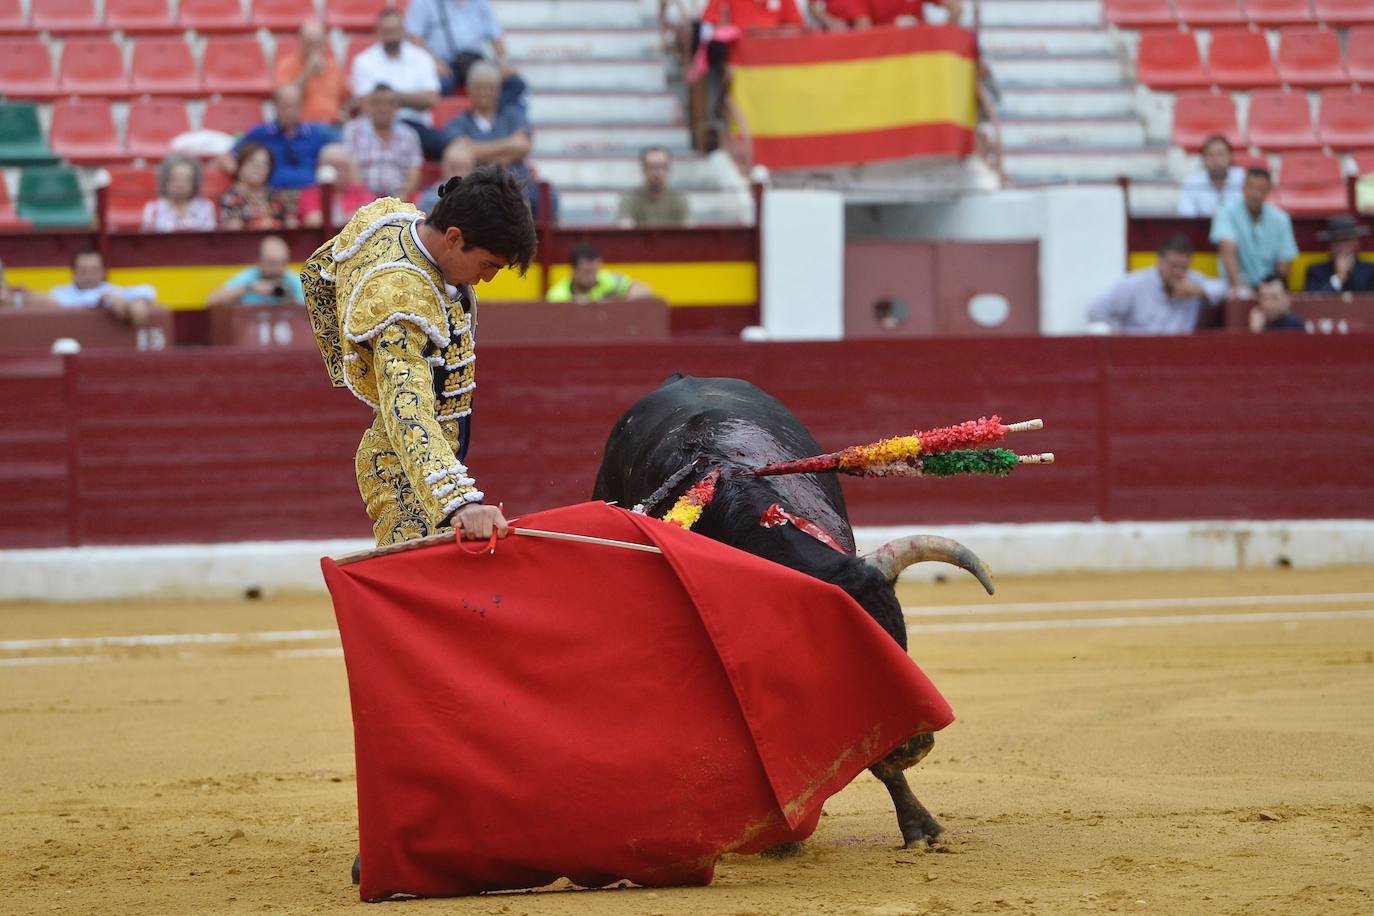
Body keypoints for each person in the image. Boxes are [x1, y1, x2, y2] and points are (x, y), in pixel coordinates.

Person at [300, 165, 537, 547]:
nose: (488, 278)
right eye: (489, 264)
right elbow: (405, 411)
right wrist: (459, 504)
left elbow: (316, 273)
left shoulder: (387, 218)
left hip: (428, 465)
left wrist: (350, 361)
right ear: (454, 238)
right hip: (407, 479)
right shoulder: (402, 302)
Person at [442, 62, 551, 218]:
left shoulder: (513, 115)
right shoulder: (457, 122)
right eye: (479, 87)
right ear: (469, 90)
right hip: (475, 187)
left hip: (516, 184)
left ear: (498, 90)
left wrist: (476, 151)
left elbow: (523, 146)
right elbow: (458, 154)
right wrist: (508, 146)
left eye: (490, 87)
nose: (485, 92)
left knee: (544, 197)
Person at [1086, 234, 1228, 335]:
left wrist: (1198, 291)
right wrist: (1118, 335)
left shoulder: (1193, 281)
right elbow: (1096, 310)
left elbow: (1224, 288)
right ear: (1160, 261)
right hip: (1137, 353)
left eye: (1183, 267)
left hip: (1178, 354)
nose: (1178, 272)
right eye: (1173, 265)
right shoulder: (1134, 284)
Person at [350, 9, 445, 157]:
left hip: (415, 125)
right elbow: (366, 104)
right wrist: (411, 99)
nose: (391, 36)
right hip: (375, 127)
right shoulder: (364, 61)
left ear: (403, 31)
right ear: (378, 32)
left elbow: (431, 99)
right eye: (386, 31)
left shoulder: (422, 58)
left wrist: (386, 97)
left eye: (395, 30)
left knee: (448, 146)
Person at [403, 0, 526, 108]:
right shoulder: (424, 2)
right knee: (440, 86)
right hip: (444, 65)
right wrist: (434, 62)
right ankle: (452, 124)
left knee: (516, 84)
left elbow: (496, 38)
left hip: (475, 63)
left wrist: (503, 62)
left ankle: (488, 117)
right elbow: (414, 37)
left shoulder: (481, 3)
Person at [1210, 167, 1298, 297]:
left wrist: (1273, 291)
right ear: (1243, 188)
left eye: (1261, 189)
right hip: (1234, 287)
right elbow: (1226, 245)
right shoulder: (1226, 211)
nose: (1255, 194)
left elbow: (1284, 264)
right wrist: (1239, 290)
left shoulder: (1281, 219)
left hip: (1270, 287)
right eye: (1251, 187)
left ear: (1269, 190)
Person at [231, 85, 332, 191]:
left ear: (302, 106)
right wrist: (243, 180)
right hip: (272, 196)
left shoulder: (314, 134)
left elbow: (326, 167)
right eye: (285, 106)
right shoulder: (262, 132)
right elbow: (228, 157)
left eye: (294, 106)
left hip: (308, 196)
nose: (290, 111)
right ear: (275, 106)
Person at [343, 84, 423, 202]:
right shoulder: (354, 130)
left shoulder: (409, 134)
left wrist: (400, 198)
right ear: (369, 106)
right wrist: (366, 201)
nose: (384, 108)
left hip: (399, 199)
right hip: (362, 200)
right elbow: (351, 168)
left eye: (390, 103)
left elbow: (414, 172)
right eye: (378, 103)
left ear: (397, 108)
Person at [49, 248, 160, 326]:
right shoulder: (60, 293)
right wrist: (104, 298)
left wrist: (141, 301)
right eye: (83, 271)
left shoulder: (111, 290)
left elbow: (147, 289)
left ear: (102, 271)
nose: (89, 276)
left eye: (94, 270)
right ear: (73, 272)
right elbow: (67, 303)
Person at [274, 20, 348, 125]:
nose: (314, 48)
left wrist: (343, 112)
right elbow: (285, 99)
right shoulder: (286, 66)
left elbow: (345, 97)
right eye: (309, 43)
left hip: (331, 125)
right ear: (300, 42)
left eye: (318, 43)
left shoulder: (333, 67)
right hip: (301, 127)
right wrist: (307, 73)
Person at [207, 236, 305, 308]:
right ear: (259, 261)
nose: (277, 269)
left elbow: (311, 316)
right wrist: (249, 288)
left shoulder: (292, 280)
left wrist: (290, 299)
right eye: (271, 263)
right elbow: (211, 301)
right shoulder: (249, 278)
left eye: (281, 264)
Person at [218, 143, 300, 230]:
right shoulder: (231, 197)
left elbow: (290, 222)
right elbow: (233, 230)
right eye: (252, 161)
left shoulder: (275, 195)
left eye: (265, 164)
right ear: (240, 165)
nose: (258, 167)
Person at [300, 144, 377, 228]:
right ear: (321, 167)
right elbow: (313, 220)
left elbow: (372, 215)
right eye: (335, 166)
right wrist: (350, 217)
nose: (340, 172)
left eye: (344, 167)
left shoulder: (360, 191)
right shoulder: (310, 193)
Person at [546, 243, 653, 302]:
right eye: (586, 272)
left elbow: (644, 289)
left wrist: (617, 302)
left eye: (595, 271)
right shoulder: (558, 295)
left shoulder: (607, 279)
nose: (592, 277)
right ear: (573, 271)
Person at [617, 146, 690, 228]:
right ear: (643, 169)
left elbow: (688, 232)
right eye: (651, 167)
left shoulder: (679, 198)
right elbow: (625, 231)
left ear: (669, 169)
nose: (656, 172)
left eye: (662, 166)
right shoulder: (629, 198)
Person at [141, 155, 217, 232]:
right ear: (165, 180)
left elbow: (209, 239)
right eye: (175, 178)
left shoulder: (205, 207)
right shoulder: (153, 209)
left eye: (186, 179)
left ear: (194, 182)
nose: (180, 184)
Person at [1177, 134, 1245, 219]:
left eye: (1220, 154)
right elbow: (1187, 219)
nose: (1216, 159)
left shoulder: (1244, 180)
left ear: (1230, 156)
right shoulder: (1191, 184)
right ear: (1203, 159)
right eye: (1210, 155)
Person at [1303, 215, 1374, 294]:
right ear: (1330, 246)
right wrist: (1338, 278)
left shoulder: (1371, 271)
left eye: (1347, 241)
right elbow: (1313, 302)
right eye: (1337, 242)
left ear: (1356, 243)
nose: (1342, 247)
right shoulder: (1316, 272)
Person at [416, 138, 476, 214]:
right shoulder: (430, 199)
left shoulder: (478, 198)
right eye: (453, 168)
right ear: (443, 167)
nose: (459, 174)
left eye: (465, 168)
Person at [815, 0, 962, 28]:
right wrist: (894, 28)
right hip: (888, 61)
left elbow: (956, 8)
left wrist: (941, 35)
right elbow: (863, 31)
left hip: (920, 60)